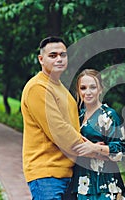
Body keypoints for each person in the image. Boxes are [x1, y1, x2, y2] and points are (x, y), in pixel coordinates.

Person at [21, 36, 84, 199]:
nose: (59, 59)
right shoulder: (37, 87)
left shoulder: (61, 89)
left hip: (67, 173)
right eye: (53, 55)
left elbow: (72, 127)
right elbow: (59, 131)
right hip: (47, 174)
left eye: (63, 55)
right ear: (41, 59)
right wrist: (92, 149)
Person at [69, 69, 125, 200]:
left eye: (93, 87)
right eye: (83, 88)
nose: (88, 92)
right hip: (81, 181)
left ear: (101, 89)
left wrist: (95, 148)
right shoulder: (76, 116)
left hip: (104, 183)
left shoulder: (109, 116)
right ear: (78, 91)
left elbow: (121, 151)